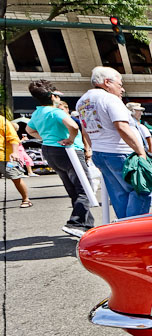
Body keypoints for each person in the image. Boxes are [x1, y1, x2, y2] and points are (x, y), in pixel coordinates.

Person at [76, 67, 151, 219]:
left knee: (119, 195)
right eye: (119, 84)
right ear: (107, 82)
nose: (122, 89)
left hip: (101, 152)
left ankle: (124, 229)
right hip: (120, 151)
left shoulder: (82, 101)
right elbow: (122, 126)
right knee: (142, 189)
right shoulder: (109, 99)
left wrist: (93, 148)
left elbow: (85, 130)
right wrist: (141, 152)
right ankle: (134, 229)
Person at [26, 79, 94, 237]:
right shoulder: (55, 111)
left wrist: (46, 137)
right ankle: (76, 223)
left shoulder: (37, 112)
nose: (58, 98)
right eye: (57, 95)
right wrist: (70, 138)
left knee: (73, 189)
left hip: (50, 151)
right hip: (68, 151)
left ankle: (87, 225)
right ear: (52, 97)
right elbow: (74, 126)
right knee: (85, 189)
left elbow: (29, 130)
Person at [1, 111, 32, 209]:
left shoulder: (2, 120)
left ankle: (26, 199)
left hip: (5, 156)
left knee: (16, 178)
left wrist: (15, 152)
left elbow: (13, 138)